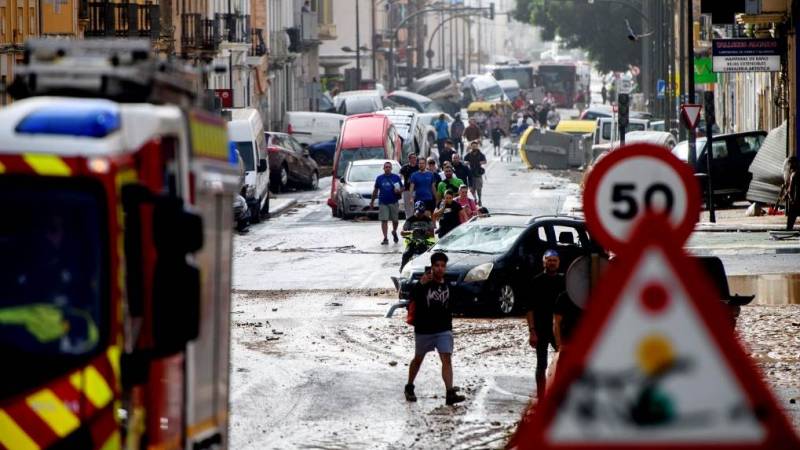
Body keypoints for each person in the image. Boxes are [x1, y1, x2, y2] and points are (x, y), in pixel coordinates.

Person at [405, 252, 466, 405]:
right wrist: (420, 284)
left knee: (446, 358)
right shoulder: (424, 283)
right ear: (431, 267)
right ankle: (409, 385)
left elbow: (454, 303)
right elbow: (411, 297)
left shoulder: (447, 284)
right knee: (418, 359)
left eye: (442, 266)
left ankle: (449, 392)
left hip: (443, 328)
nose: (439, 269)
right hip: (424, 329)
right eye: (437, 266)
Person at [524, 249, 565, 399]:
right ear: (544, 262)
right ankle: (541, 397)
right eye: (549, 260)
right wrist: (532, 331)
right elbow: (529, 308)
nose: (551, 263)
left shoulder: (565, 281)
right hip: (541, 328)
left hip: (559, 329)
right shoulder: (536, 281)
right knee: (541, 364)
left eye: (554, 260)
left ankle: (559, 394)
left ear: (559, 262)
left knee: (563, 362)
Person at [370, 161, 403, 245]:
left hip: (394, 201)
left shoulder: (396, 177)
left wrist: (399, 190)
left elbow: (402, 188)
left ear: (391, 168)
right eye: (386, 167)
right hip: (383, 202)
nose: (387, 168)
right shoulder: (379, 178)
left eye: (389, 167)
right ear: (383, 168)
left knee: (395, 220)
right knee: (384, 220)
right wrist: (372, 202)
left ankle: (394, 231)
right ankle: (385, 238)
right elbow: (375, 190)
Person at [400, 201, 435, 270]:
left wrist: (425, 232)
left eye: (422, 212)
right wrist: (411, 232)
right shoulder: (410, 220)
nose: (420, 214)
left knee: (428, 256)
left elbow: (432, 234)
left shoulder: (428, 220)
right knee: (406, 254)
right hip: (412, 242)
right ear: (415, 210)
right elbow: (402, 232)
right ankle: (402, 269)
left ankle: (428, 272)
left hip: (424, 242)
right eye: (419, 212)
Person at [464, 141, 487, 206]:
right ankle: (474, 201)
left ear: (477, 146)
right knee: (472, 190)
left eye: (475, 146)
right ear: (471, 146)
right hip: (471, 174)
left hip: (478, 174)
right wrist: (467, 163)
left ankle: (480, 200)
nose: (474, 147)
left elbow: (485, 161)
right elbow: (464, 160)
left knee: (479, 189)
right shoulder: (469, 154)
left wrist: (479, 162)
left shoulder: (481, 154)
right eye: (473, 146)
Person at [400, 154, 419, 218]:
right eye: (412, 158)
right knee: (408, 207)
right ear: (409, 159)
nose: (414, 159)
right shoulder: (405, 168)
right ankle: (409, 220)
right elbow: (401, 177)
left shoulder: (418, 167)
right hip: (407, 190)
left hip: (417, 190)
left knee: (417, 206)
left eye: (415, 158)